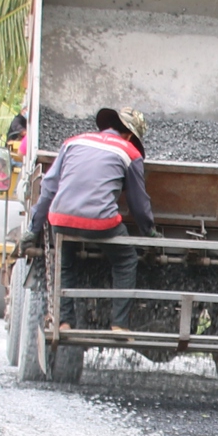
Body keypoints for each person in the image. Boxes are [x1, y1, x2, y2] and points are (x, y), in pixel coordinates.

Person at [24, 107, 154, 328]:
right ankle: (119, 324)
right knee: (126, 260)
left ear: (109, 125)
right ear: (131, 135)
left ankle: (64, 321)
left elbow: (48, 187)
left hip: (60, 218)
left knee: (64, 263)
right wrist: (148, 231)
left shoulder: (72, 142)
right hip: (100, 222)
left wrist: (33, 229)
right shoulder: (131, 153)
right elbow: (137, 201)